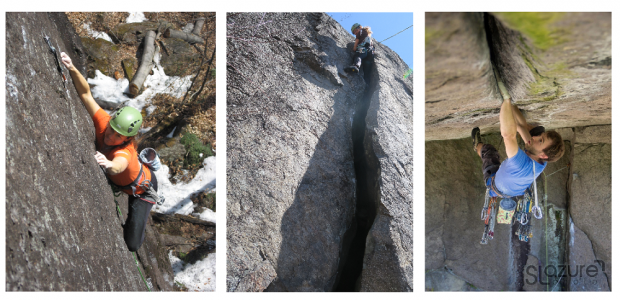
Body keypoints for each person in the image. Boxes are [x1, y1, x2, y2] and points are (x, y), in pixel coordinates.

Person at [61, 52, 158, 252]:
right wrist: (72, 68)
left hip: (141, 189)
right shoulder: (106, 123)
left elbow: (119, 165)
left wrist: (108, 164)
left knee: (132, 244)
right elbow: (86, 94)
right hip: (127, 181)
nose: (110, 135)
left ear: (127, 139)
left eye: (117, 136)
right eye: (112, 129)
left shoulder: (126, 151)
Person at [472, 77, 565, 199]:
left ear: (543, 155)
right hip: (514, 186)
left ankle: (476, 146)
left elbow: (508, 135)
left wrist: (505, 100)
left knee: (488, 152)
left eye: (540, 140)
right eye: (540, 137)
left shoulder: (520, 164)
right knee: (535, 129)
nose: (536, 137)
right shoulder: (543, 157)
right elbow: (521, 126)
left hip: (495, 185)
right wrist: (511, 101)